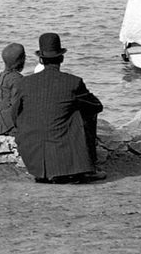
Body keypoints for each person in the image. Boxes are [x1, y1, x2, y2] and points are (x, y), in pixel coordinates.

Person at [11, 32, 104, 183]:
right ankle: (86, 168)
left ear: (41, 59)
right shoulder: (73, 82)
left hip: (33, 158)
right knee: (82, 111)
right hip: (62, 151)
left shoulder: (24, 83)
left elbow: (14, 114)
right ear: (61, 58)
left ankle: (52, 169)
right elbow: (97, 106)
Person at [0, 43, 26, 136]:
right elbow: (17, 105)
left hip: (2, 125)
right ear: (22, 61)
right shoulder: (17, 79)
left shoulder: (1, 76)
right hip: (11, 128)